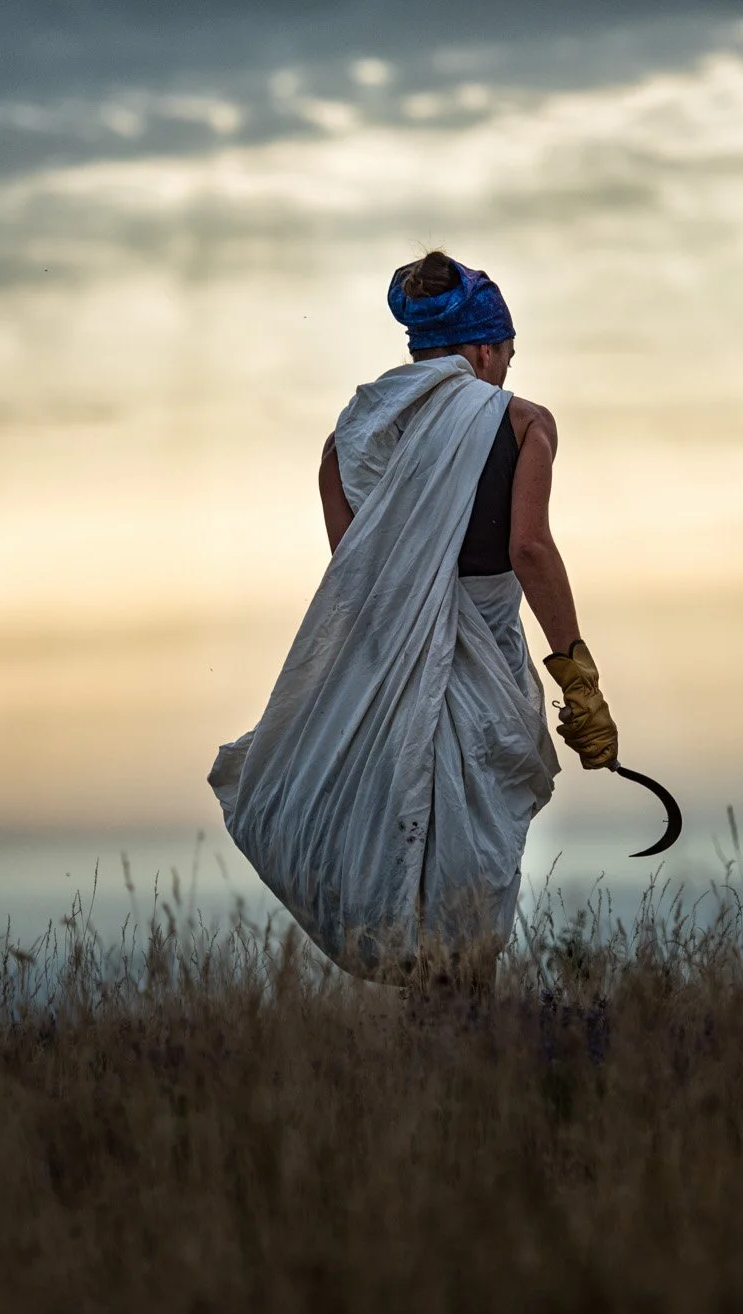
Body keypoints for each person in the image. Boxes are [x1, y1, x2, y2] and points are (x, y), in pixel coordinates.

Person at [209, 251, 618, 980]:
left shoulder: (348, 445)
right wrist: (578, 678)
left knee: (411, 869)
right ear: (485, 350)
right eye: (507, 357)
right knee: (474, 879)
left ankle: (429, 1047)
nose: (504, 374)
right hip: (486, 684)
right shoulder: (523, 424)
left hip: (393, 691)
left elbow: (363, 585)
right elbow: (529, 547)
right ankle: (463, 1037)